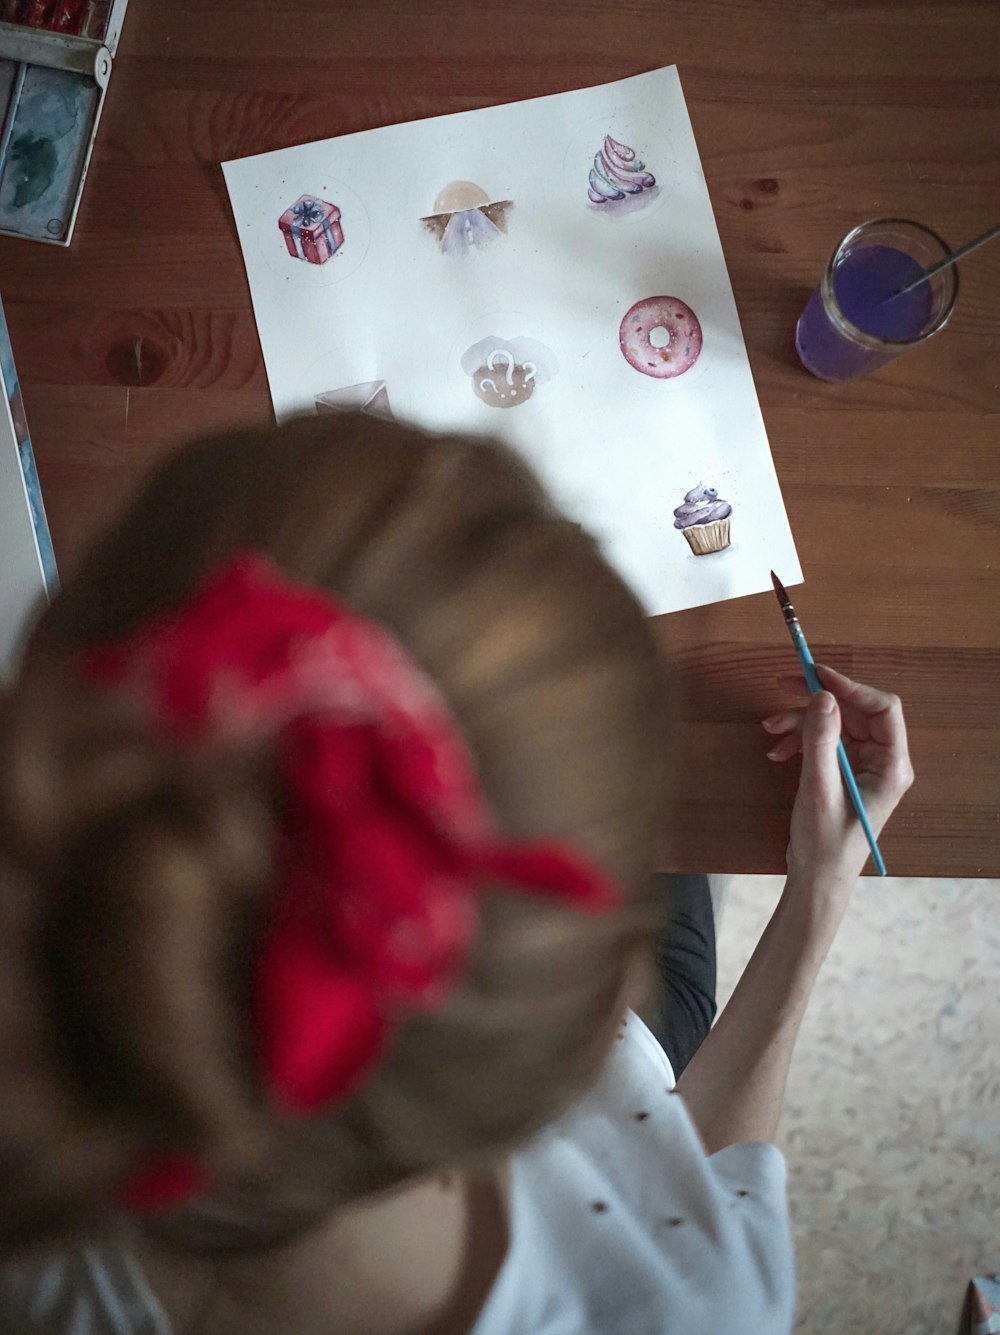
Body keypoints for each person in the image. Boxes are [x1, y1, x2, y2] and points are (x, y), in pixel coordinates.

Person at [0, 414, 913, 1334]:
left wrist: (811, 892)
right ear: (584, 1026)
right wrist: (813, 903)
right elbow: (685, 1183)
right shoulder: (698, 1309)